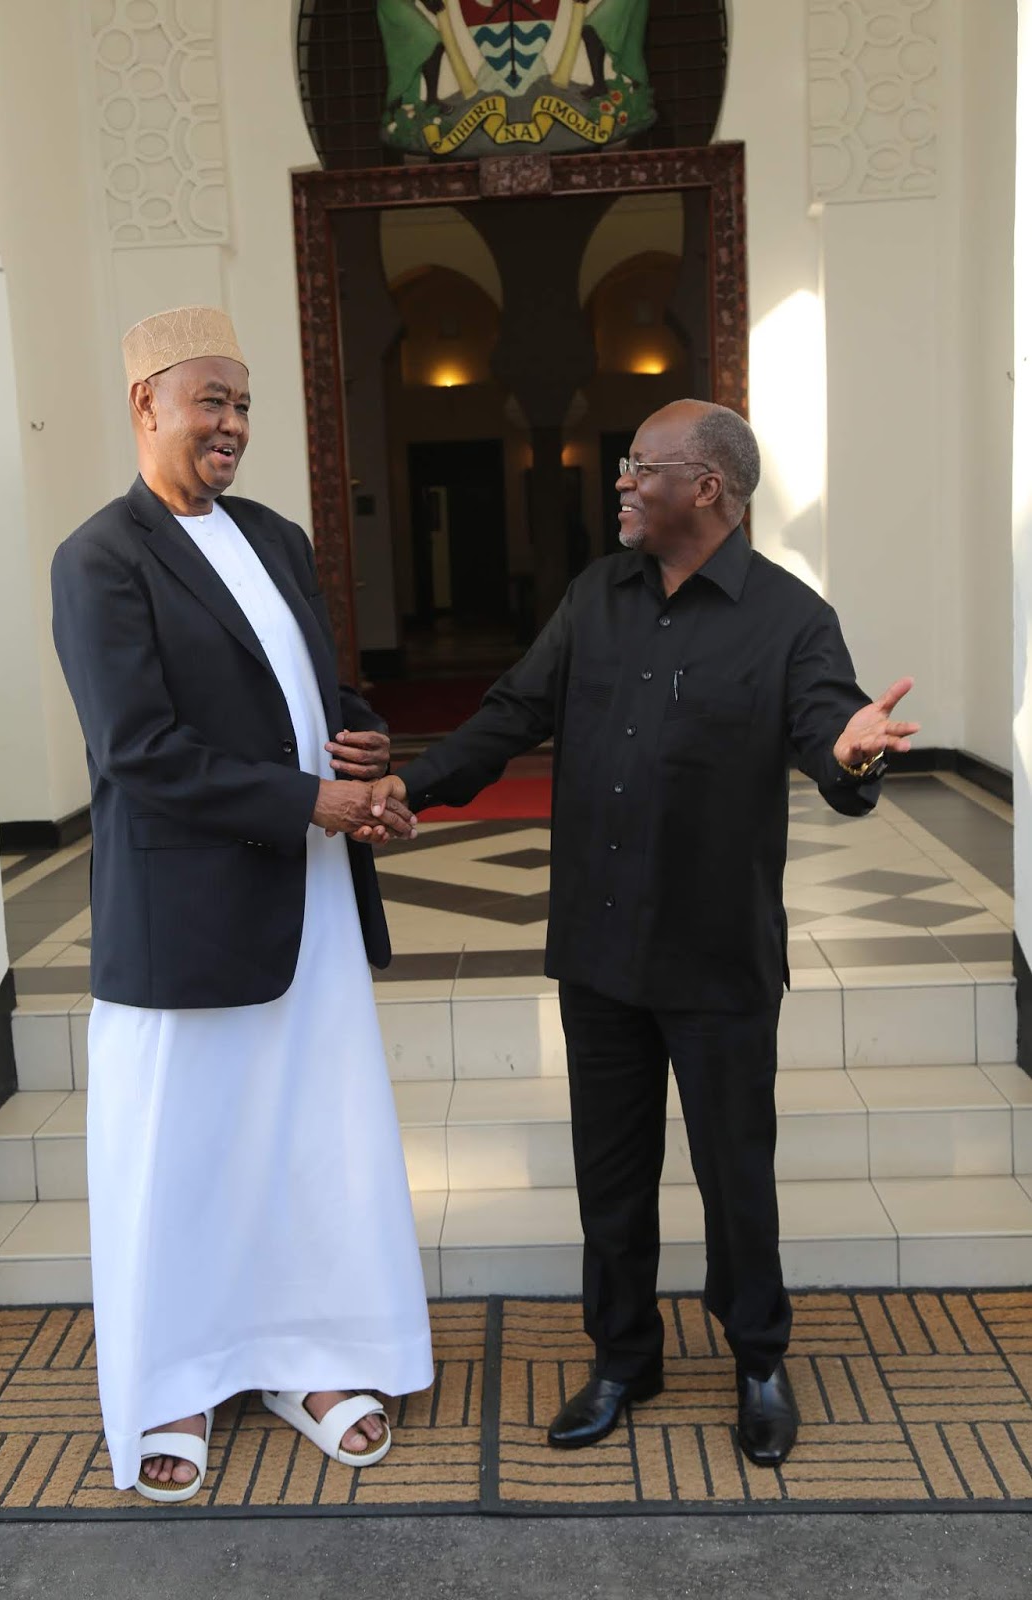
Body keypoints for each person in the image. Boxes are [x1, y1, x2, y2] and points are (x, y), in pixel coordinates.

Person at [370, 400, 918, 1467]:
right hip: (602, 947)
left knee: (735, 1175)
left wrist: (854, 757)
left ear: (707, 488)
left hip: (717, 958)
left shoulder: (791, 619)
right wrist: (411, 786)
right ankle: (623, 1358)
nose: (620, 482)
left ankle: (757, 1360)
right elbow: (512, 711)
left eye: (639, 467)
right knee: (610, 1175)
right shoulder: (595, 596)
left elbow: (831, 740)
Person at [50, 306, 433, 1502]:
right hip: (186, 913)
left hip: (308, 899)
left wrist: (367, 756)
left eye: (245, 404)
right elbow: (138, 751)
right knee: (184, 1154)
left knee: (309, 1134)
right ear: (145, 404)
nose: (233, 425)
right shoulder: (100, 557)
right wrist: (312, 800)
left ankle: (307, 1359)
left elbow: (313, 690)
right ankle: (173, 1380)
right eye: (211, 400)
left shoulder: (273, 535)